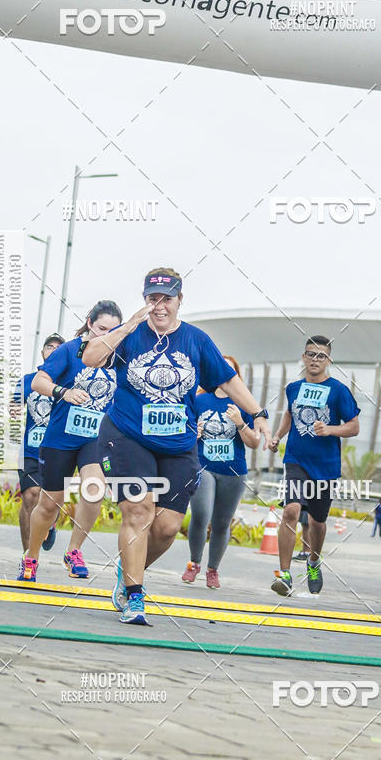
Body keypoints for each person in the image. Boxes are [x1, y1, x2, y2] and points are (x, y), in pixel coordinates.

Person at [84, 267, 272, 625]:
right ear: (144, 301)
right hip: (126, 436)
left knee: (168, 527)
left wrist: (257, 412)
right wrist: (127, 326)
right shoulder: (131, 335)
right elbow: (91, 357)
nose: (159, 306)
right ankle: (136, 596)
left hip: (178, 444)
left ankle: (128, 573)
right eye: (152, 299)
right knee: (138, 511)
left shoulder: (196, 340)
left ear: (179, 300)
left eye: (166, 299)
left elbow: (228, 380)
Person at [18, 301, 123, 582]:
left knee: (94, 488)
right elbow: (39, 381)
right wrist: (62, 392)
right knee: (49, 504)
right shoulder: (70, 350)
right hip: (60, 439)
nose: (106, 335)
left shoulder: (120, 356)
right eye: (101, 328)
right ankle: (31, 556)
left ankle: (73, 550)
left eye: (113, 331)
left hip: (94, 439)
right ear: (90, 323)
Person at [268, 335, 360, 597]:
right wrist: (277, 436)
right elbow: (289, 413)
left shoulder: (339, 390)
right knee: (291, 511)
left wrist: (329, 429)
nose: (315, 360)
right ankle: (284, 575)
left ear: (328, 360)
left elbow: (354, 426)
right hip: (296, 460)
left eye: (321, 356)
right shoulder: (293, 388)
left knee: (318, 522)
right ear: (303, 357)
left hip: (326, 466)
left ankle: (313, 562)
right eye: (310, 354)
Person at [181, 355, 261, 589]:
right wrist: (192, 433)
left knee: (221, 522)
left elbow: (254, 443)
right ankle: (194, 563)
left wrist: (239, 422)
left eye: (231, 369)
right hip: (203, 465)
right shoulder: (199, 399)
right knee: (201, 514)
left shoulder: (245, 405)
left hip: (233, 471)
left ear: (236, 376)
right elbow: (184, 433)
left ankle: (212, 569)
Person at [11, 333, 65, 552]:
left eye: (58, 348)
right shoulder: (28, 379)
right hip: (31, 451)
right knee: (30, 496)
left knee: (51, 500)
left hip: (59, 450)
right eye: (49, 347)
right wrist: (14, 407)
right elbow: (15, 401)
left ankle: (49, 524)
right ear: (43, 352)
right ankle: (28, 557)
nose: (52, 350)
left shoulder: (69, 382)